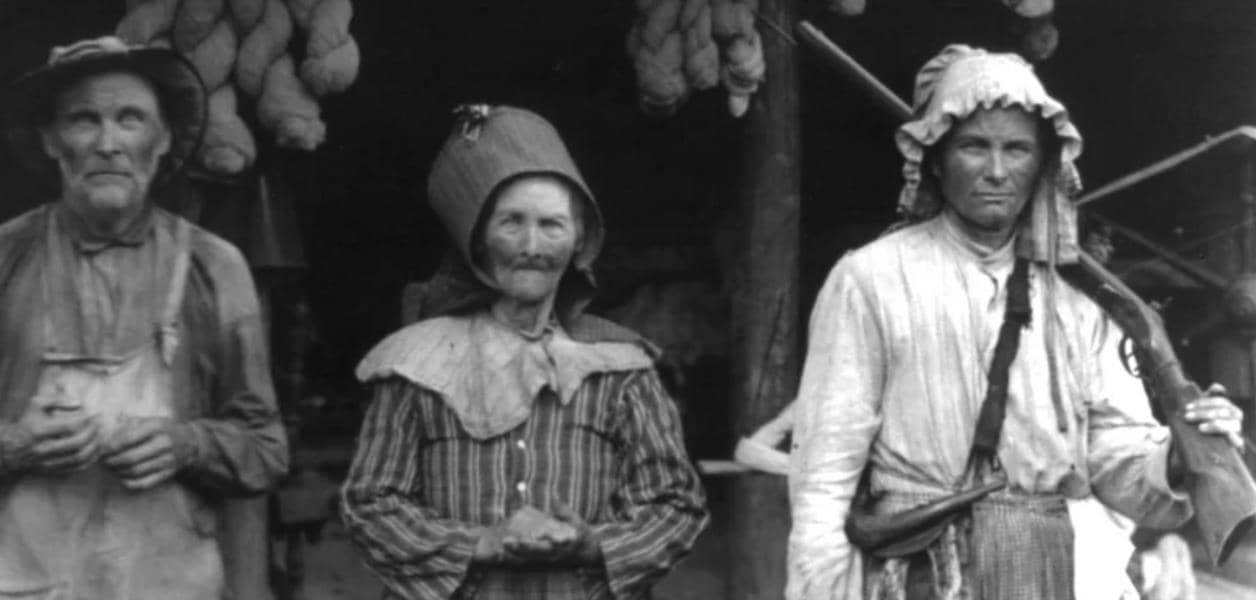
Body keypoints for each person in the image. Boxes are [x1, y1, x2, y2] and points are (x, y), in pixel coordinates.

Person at [785, 46, 1246, 599]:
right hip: (923, 572)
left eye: (1017, 149)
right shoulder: (869, 279)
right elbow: (825, 471)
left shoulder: (1078, 295)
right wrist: (820, 588)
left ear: (1044, 162)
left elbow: (1112, 452)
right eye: (974, 147)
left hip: (1057, 568)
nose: (997, 171)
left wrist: (1177, 454)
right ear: (935, 157)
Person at [0, 37, 287, 599]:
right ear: (51, 140)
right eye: (83, 120)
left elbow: (265, 449)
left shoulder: (215, 268)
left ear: (163, 138)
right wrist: (13, 445)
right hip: (17, 582)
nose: (108, 143)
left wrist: (187, 445)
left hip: (164, 584)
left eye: (130, 120)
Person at [341, 105, 708, 599]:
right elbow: (370, 503)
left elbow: (675, 505)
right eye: (511, 222)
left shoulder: (621, 367)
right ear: (479, 236)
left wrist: (591, 544)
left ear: (579, 241)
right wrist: (479, 544)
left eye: (552, 225)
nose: (532, 245)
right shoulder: (417, 363)